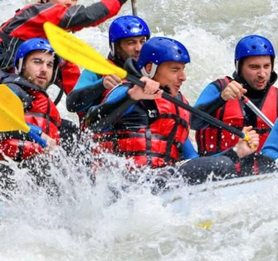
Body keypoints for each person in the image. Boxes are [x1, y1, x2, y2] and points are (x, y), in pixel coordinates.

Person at [86, 37, 259, 185]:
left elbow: (192, 161)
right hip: (122, 184)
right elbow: (91, 124)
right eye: (175, 70)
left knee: (222, 166)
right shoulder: (126, 91)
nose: (183, 77)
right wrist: (132, 96)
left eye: (183, 69)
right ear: (149, 69)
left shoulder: (177, 105)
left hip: (157, 184)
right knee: (221, 165)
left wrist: (237, 152)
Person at [0, 0, 141, 94]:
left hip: (20, 91)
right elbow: (87, 16)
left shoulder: (59, 44)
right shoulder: (35, 12)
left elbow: (75, 89)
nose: (69, 2)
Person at [0, 38, 63, 194]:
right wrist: (38, 134)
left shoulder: (47, 105)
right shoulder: (9, 89)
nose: (44, 69)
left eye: (49, 65)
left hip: (32, 171)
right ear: (22, 65)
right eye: (37, 62)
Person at [192, 35, 278, 175]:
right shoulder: (217, 89)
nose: (262, 74)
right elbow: (193, 122)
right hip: (217, 176)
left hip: (265, 180)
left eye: (267, 66)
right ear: (239, 66)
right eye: (254, 67)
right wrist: (221, 99)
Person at [66, 15, 150, 120]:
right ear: (117, 47)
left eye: (142, 41)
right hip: (104, 132)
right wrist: (101, 85)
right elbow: (71, 104)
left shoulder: (150, 71)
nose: (139, 48)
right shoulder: (97, 70)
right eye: (131, 42)